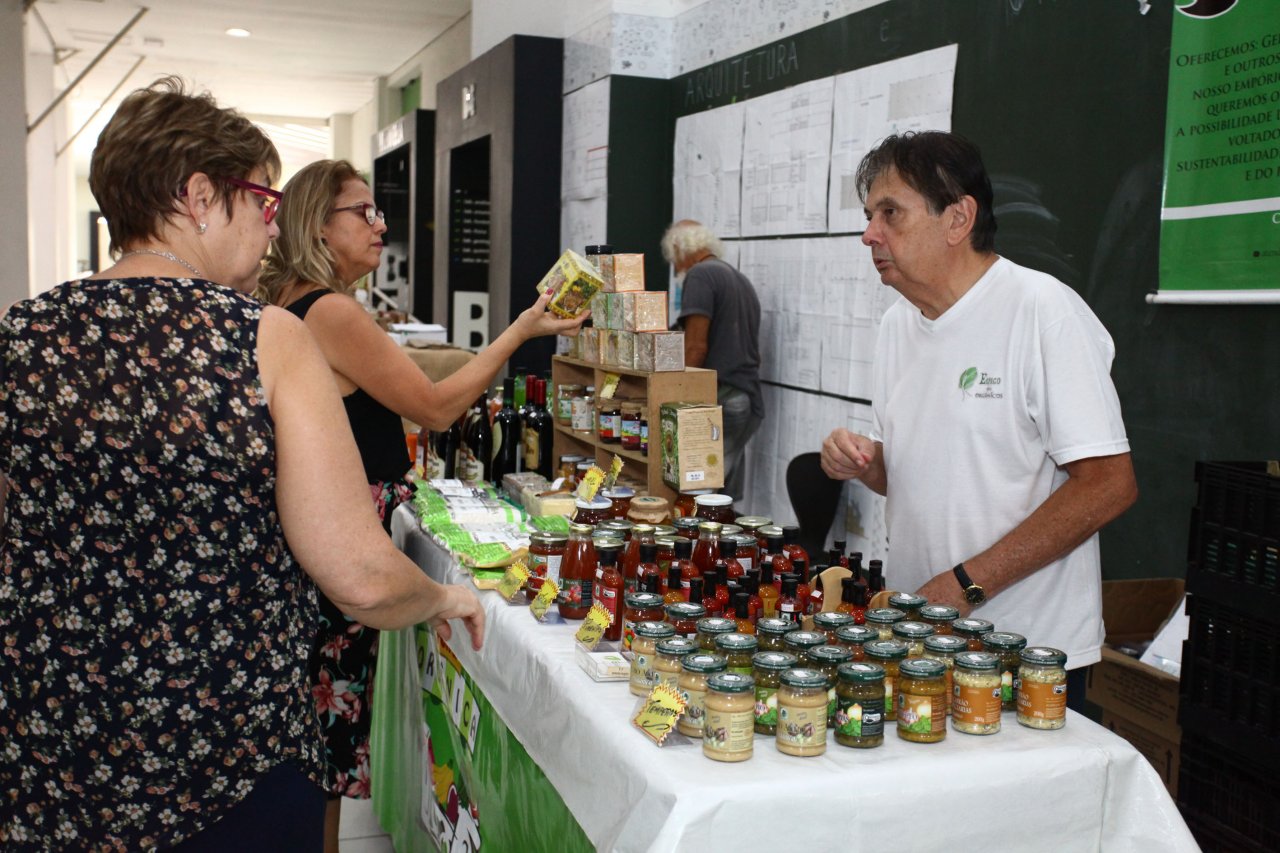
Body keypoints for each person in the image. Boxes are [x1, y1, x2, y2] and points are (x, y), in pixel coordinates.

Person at [0, 78, 484, 851]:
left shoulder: (24, 333)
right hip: (226, 757)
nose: (270, 227)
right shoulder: (260, 340)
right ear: (198, 197)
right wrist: (440, 596)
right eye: (260, 201)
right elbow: (356, 572)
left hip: (56, 757)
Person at [258, 158, 585, 851]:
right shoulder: (331, 309)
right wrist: (523, 328)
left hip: (308, 538)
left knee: (316, 747)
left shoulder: (289, 302)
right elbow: (437, 406)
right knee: (329, 747)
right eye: (363, 212)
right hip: (349, 540)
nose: (381, 226)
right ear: (319, 223)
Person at [819, 131, 1137, 706]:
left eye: (891, 214)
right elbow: (918, 474)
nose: (870, 235)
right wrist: (865, 463)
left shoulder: (1043, 312)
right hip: (919, 641)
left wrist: (966, 585)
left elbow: (1109, 485)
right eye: (869, 216)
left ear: (958, 218)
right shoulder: (897, 325)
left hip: (1025, 655)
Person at [661, 219, 764, 502]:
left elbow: (695, 347)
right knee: (721, 492)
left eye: (674, 259)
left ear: (680, 248)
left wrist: (671, 393)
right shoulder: (737, 278)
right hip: (744, 397)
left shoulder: (701, 275)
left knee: (698, 493)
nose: (676, 268)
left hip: (723, 399)